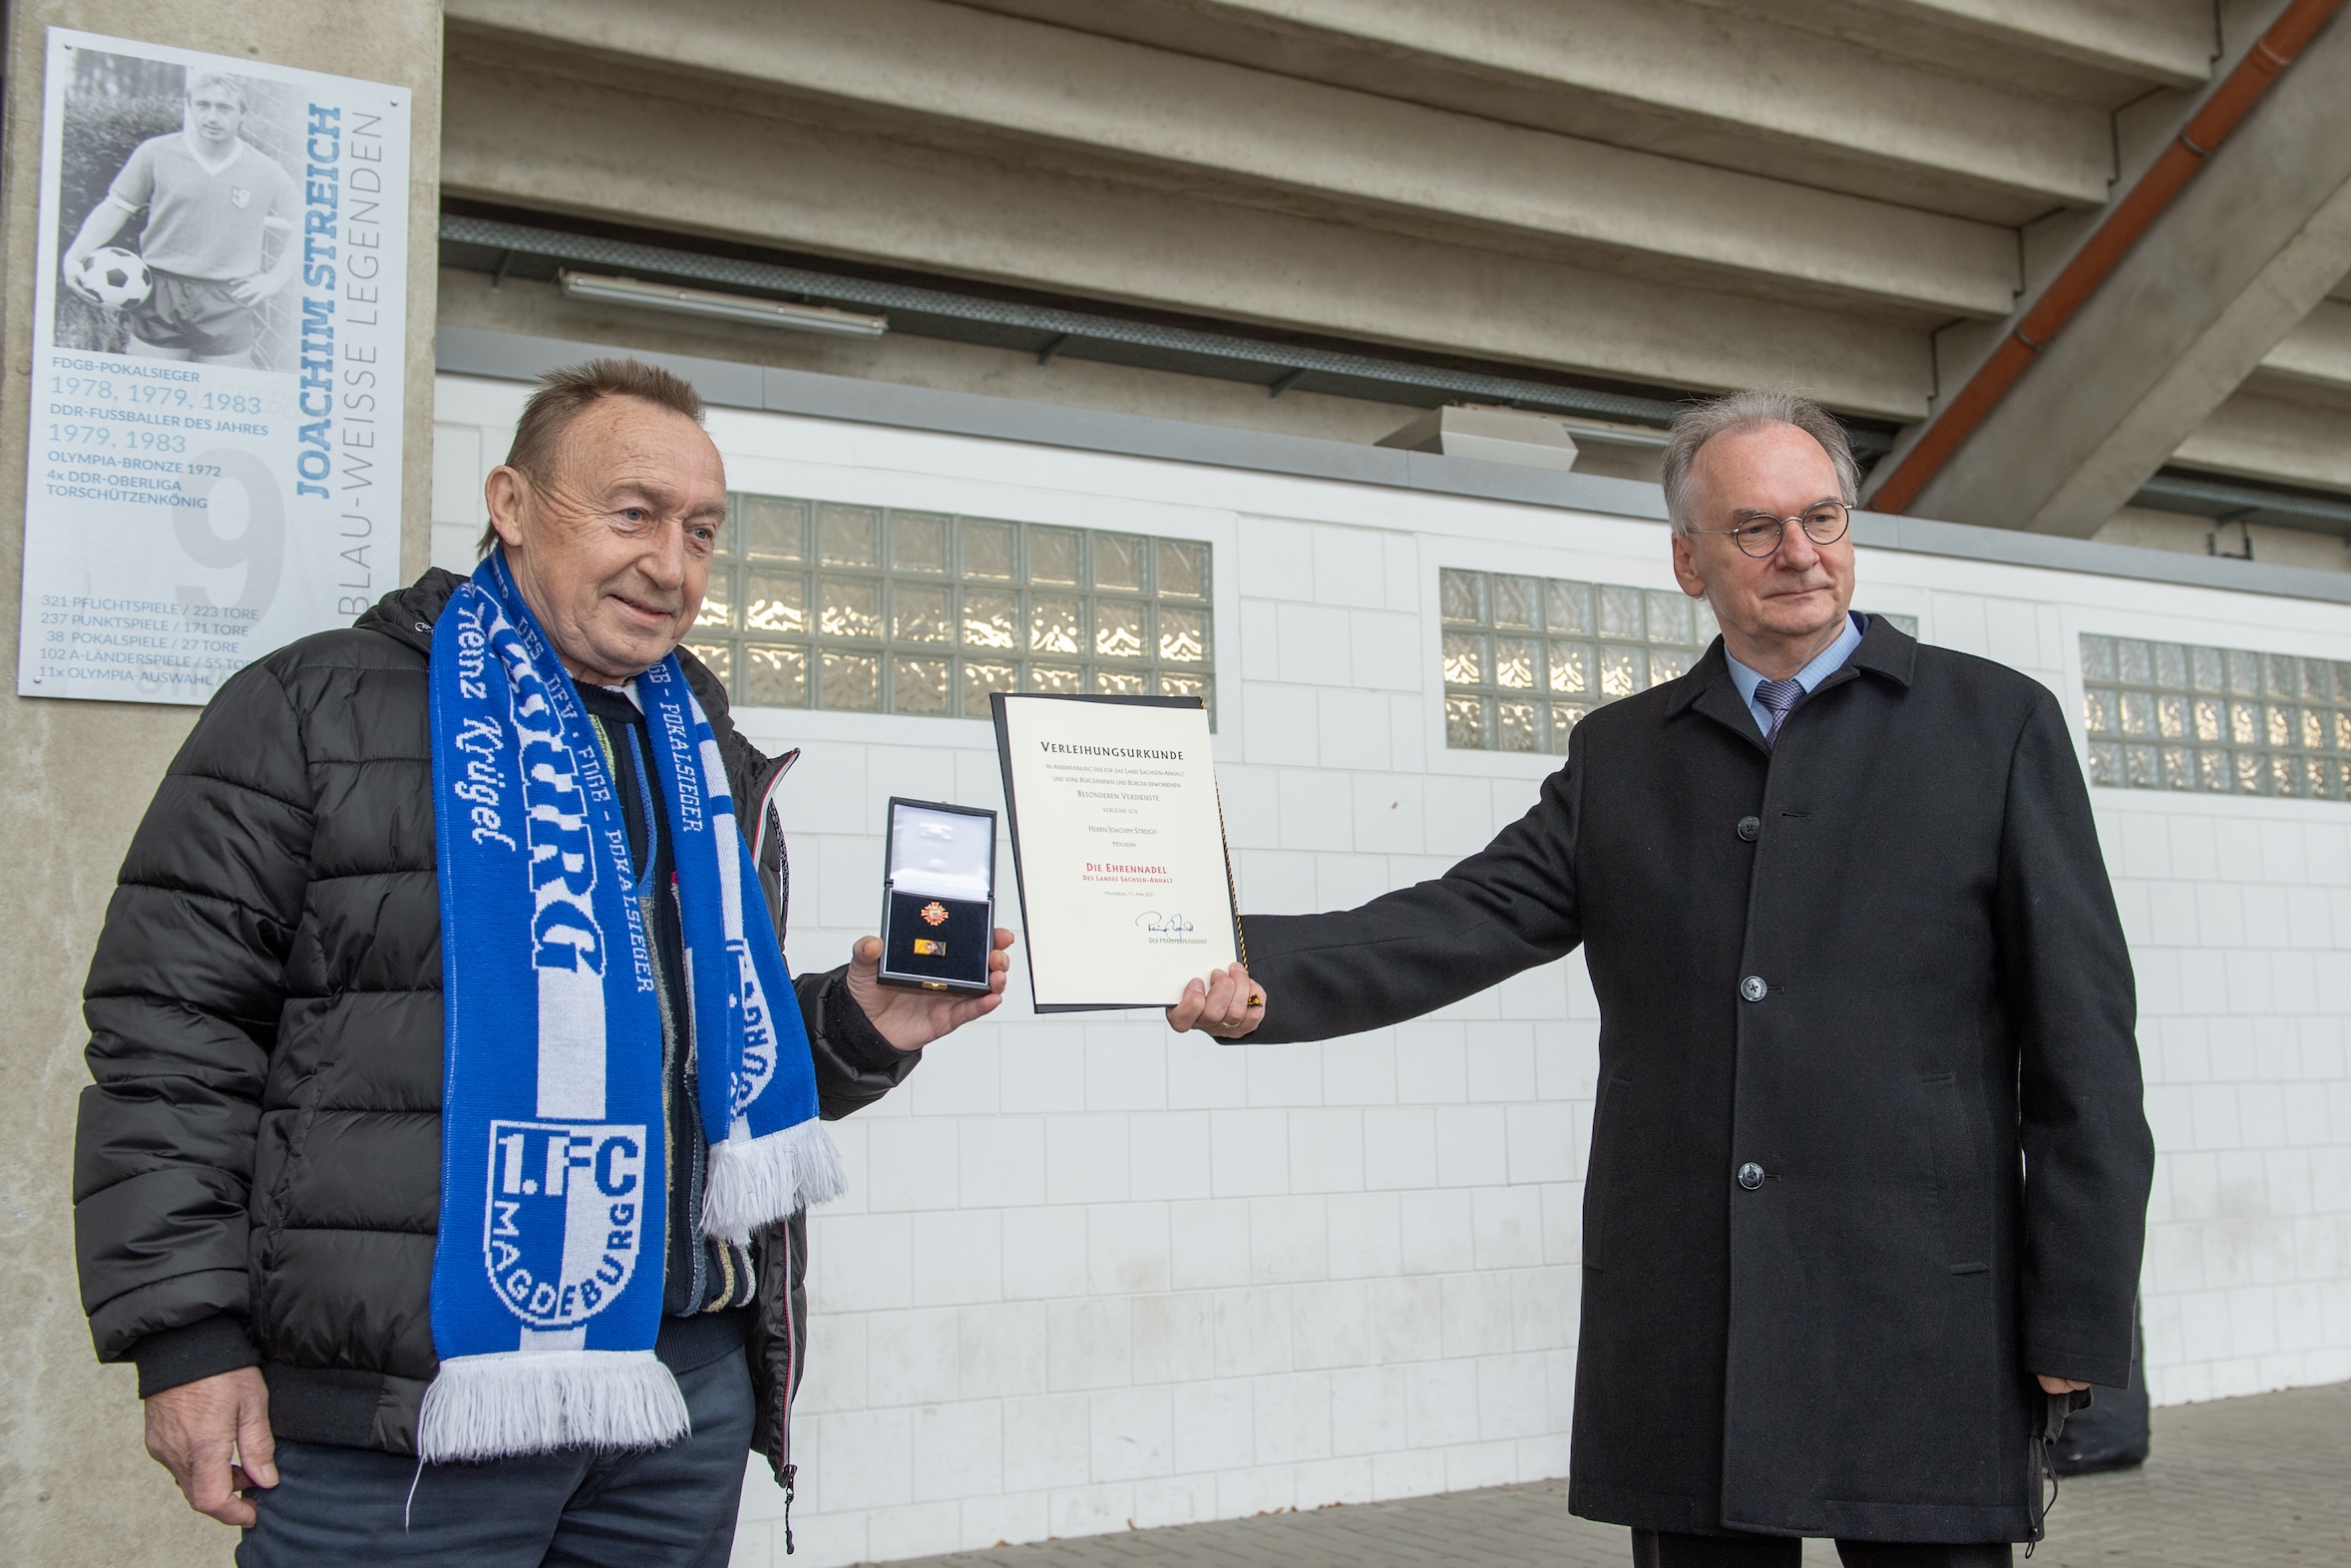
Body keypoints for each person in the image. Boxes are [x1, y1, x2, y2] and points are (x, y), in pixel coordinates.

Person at [1170, 390, 2153, 1567]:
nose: (1797, 553)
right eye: (1753, 528)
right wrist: (1247, 968)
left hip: (1922, 1318)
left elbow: (2084, 1052)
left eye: (1821, 518)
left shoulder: (1993, 725)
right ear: (1686, 561)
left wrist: (2080, 1315)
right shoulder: (1624, 754)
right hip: (1695, 1313)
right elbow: (1467, 915)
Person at [74, 357, 1012, 1565]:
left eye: (701, 532)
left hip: (673, 1396)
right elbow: (170, 1037)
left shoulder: (702, 747)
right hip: (407, 1413)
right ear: (511, 506)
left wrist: (855, 1025)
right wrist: (187, 1337)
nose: (670, 566)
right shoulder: (313, 711)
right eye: (630, 514)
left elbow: (680, 1053)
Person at [60, 70, 298, 364]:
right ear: (190, 107)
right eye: (203, 105)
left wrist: (276, 279)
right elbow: (115, 207)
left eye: (224, 108)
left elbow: (311, 226)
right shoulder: (155, 153)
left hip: (228, 298)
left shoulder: (267, 170)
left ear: (242, 114)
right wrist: (75, 256)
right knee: (153, 396)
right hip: (160, 291)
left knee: (222, 400)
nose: (212, 117)